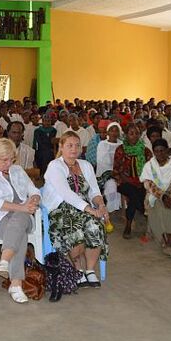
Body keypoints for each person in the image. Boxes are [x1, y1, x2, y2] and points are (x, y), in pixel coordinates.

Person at [0, 138, 41, 303]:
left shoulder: (18, 171)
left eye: (11, 159)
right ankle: (16, 284)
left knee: (20, 219)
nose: (8, 163)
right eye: (4, 160)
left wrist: (34, 199)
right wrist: (22, 207)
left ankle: (5, 259)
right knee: (20, 234)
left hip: (23, 216)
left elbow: (34, 190)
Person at [43, 131, 109, 288]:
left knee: (96, 225)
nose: (74, 149)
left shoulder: (85, 165)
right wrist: (89, 209)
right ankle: (77, 269)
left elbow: (94, 191)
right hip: (61, 209)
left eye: (77, 145)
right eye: (70, 145)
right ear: (61, 147)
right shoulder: (55, 166)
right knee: (74, 228)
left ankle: (90, 270)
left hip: (84, 208)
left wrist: (101, 205)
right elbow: (66, 194)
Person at [140, 138, 171, 257]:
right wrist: (163, 197)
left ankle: (169, 244)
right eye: (156, 151)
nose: (159, 154)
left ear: (167, 150)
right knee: (159, 209)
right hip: (156, 195)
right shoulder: (150, 166)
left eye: (162, 150)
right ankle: (165, 241)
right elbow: (148, 184)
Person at [113, 123, 152, 239]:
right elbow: (117, 169)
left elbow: (150, 169)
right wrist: (131, 181)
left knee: (135, 195)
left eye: (137, 133)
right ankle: (139, 215)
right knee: (134, 193)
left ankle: (129, 224)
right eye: (131, 133)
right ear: (126, 135)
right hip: (125, 181)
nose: (134, 136)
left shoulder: (145, 150)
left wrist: (141, 181)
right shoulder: (121, 150)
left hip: (142, 181)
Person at [95, 122, 123, 213]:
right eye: (111, 131)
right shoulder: (102, 144)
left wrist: (119, 173)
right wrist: (114, 174)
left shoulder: (122, 145)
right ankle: (111, 209)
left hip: (120, 173)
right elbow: (101, 162)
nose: (114, 133)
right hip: (106, 174)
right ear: (107, 132)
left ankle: (121, 208)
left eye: (116, 131)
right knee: (111, 185)